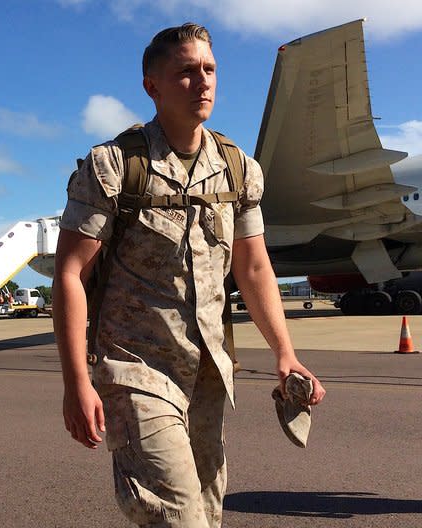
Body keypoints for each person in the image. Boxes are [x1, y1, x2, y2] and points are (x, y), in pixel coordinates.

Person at [52, 23, 326, 528]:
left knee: (207, 514)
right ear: (151, 85)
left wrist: (284, 354)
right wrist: (75, 382)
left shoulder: (239, 169)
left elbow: (254, 265)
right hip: (136, 371)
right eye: (185, 72)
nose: (202, 81)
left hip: (208, 375)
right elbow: (70, 274)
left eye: (209, 69)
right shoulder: (112, 167)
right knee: (178, 519)